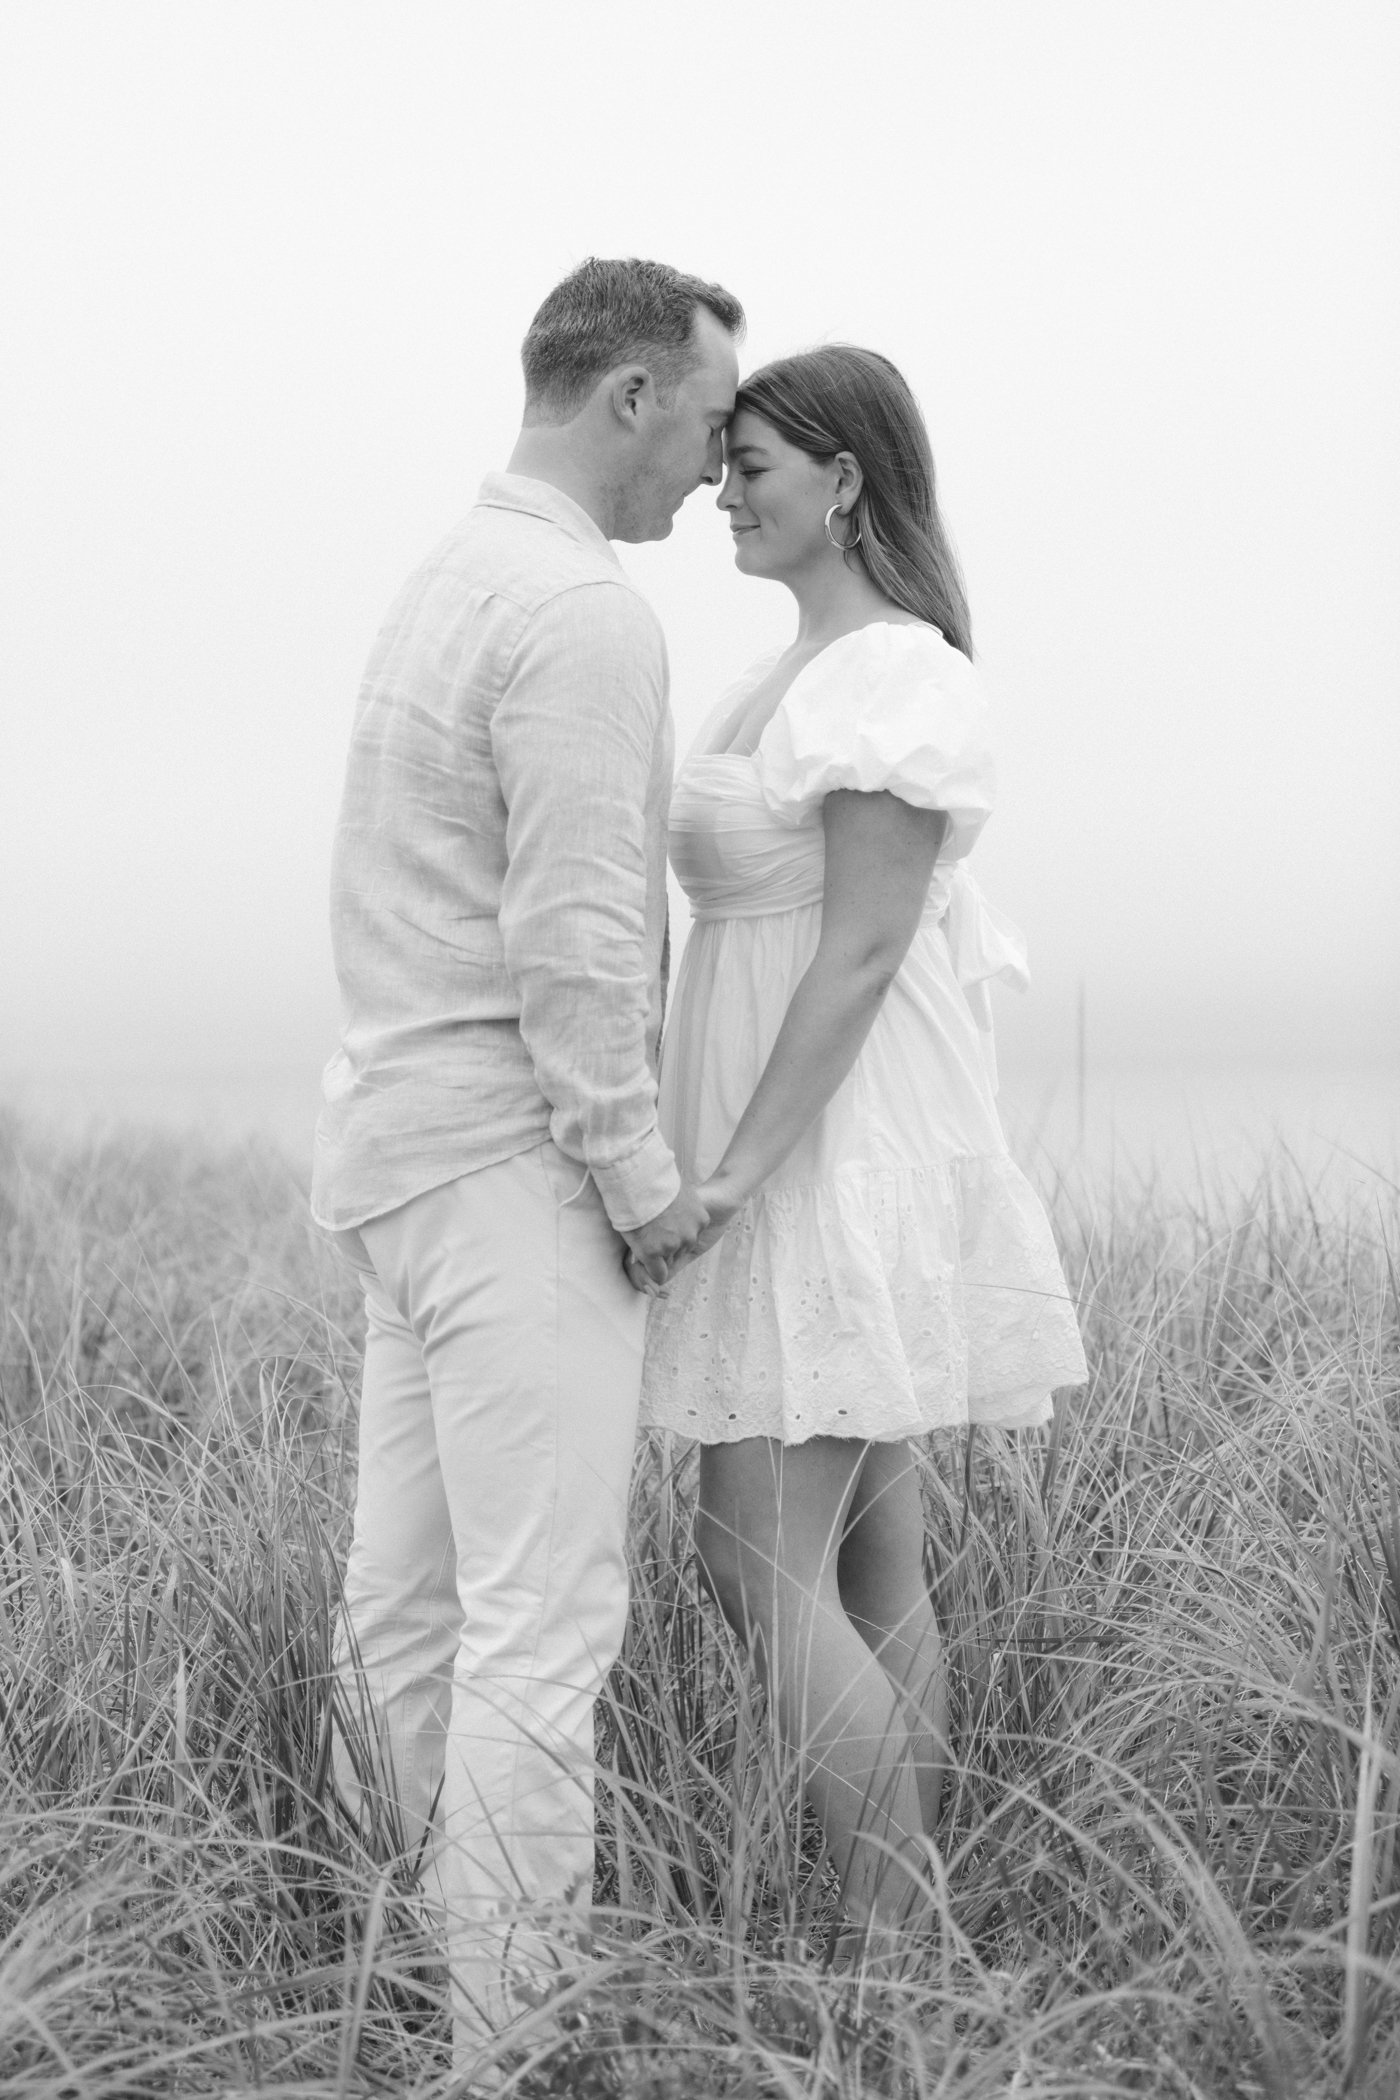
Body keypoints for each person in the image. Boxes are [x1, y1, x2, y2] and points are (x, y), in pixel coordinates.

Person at [309, 257, 743, 2057]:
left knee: (402, 1610)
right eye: (713, 420)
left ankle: (364, 2001)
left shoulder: (445, 577)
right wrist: (643, 1190)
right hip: (511, 1176)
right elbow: (577, 945)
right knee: (540, 1636)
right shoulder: (580, 612)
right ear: (630, 395)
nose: (719, 468)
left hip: (396, 1159)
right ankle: (513, 2049)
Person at [640, 344, 1088, 1946]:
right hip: (792, 1127)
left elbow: (861, 951)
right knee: (867, 1552)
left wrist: (738, 1172)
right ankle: (906, 1947)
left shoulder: (894, 674)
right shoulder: (789, 669)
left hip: (824, 1144)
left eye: (751, 464)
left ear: (843, 481)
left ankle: (891, 1945)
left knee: (757, 1559)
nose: (721, 493)